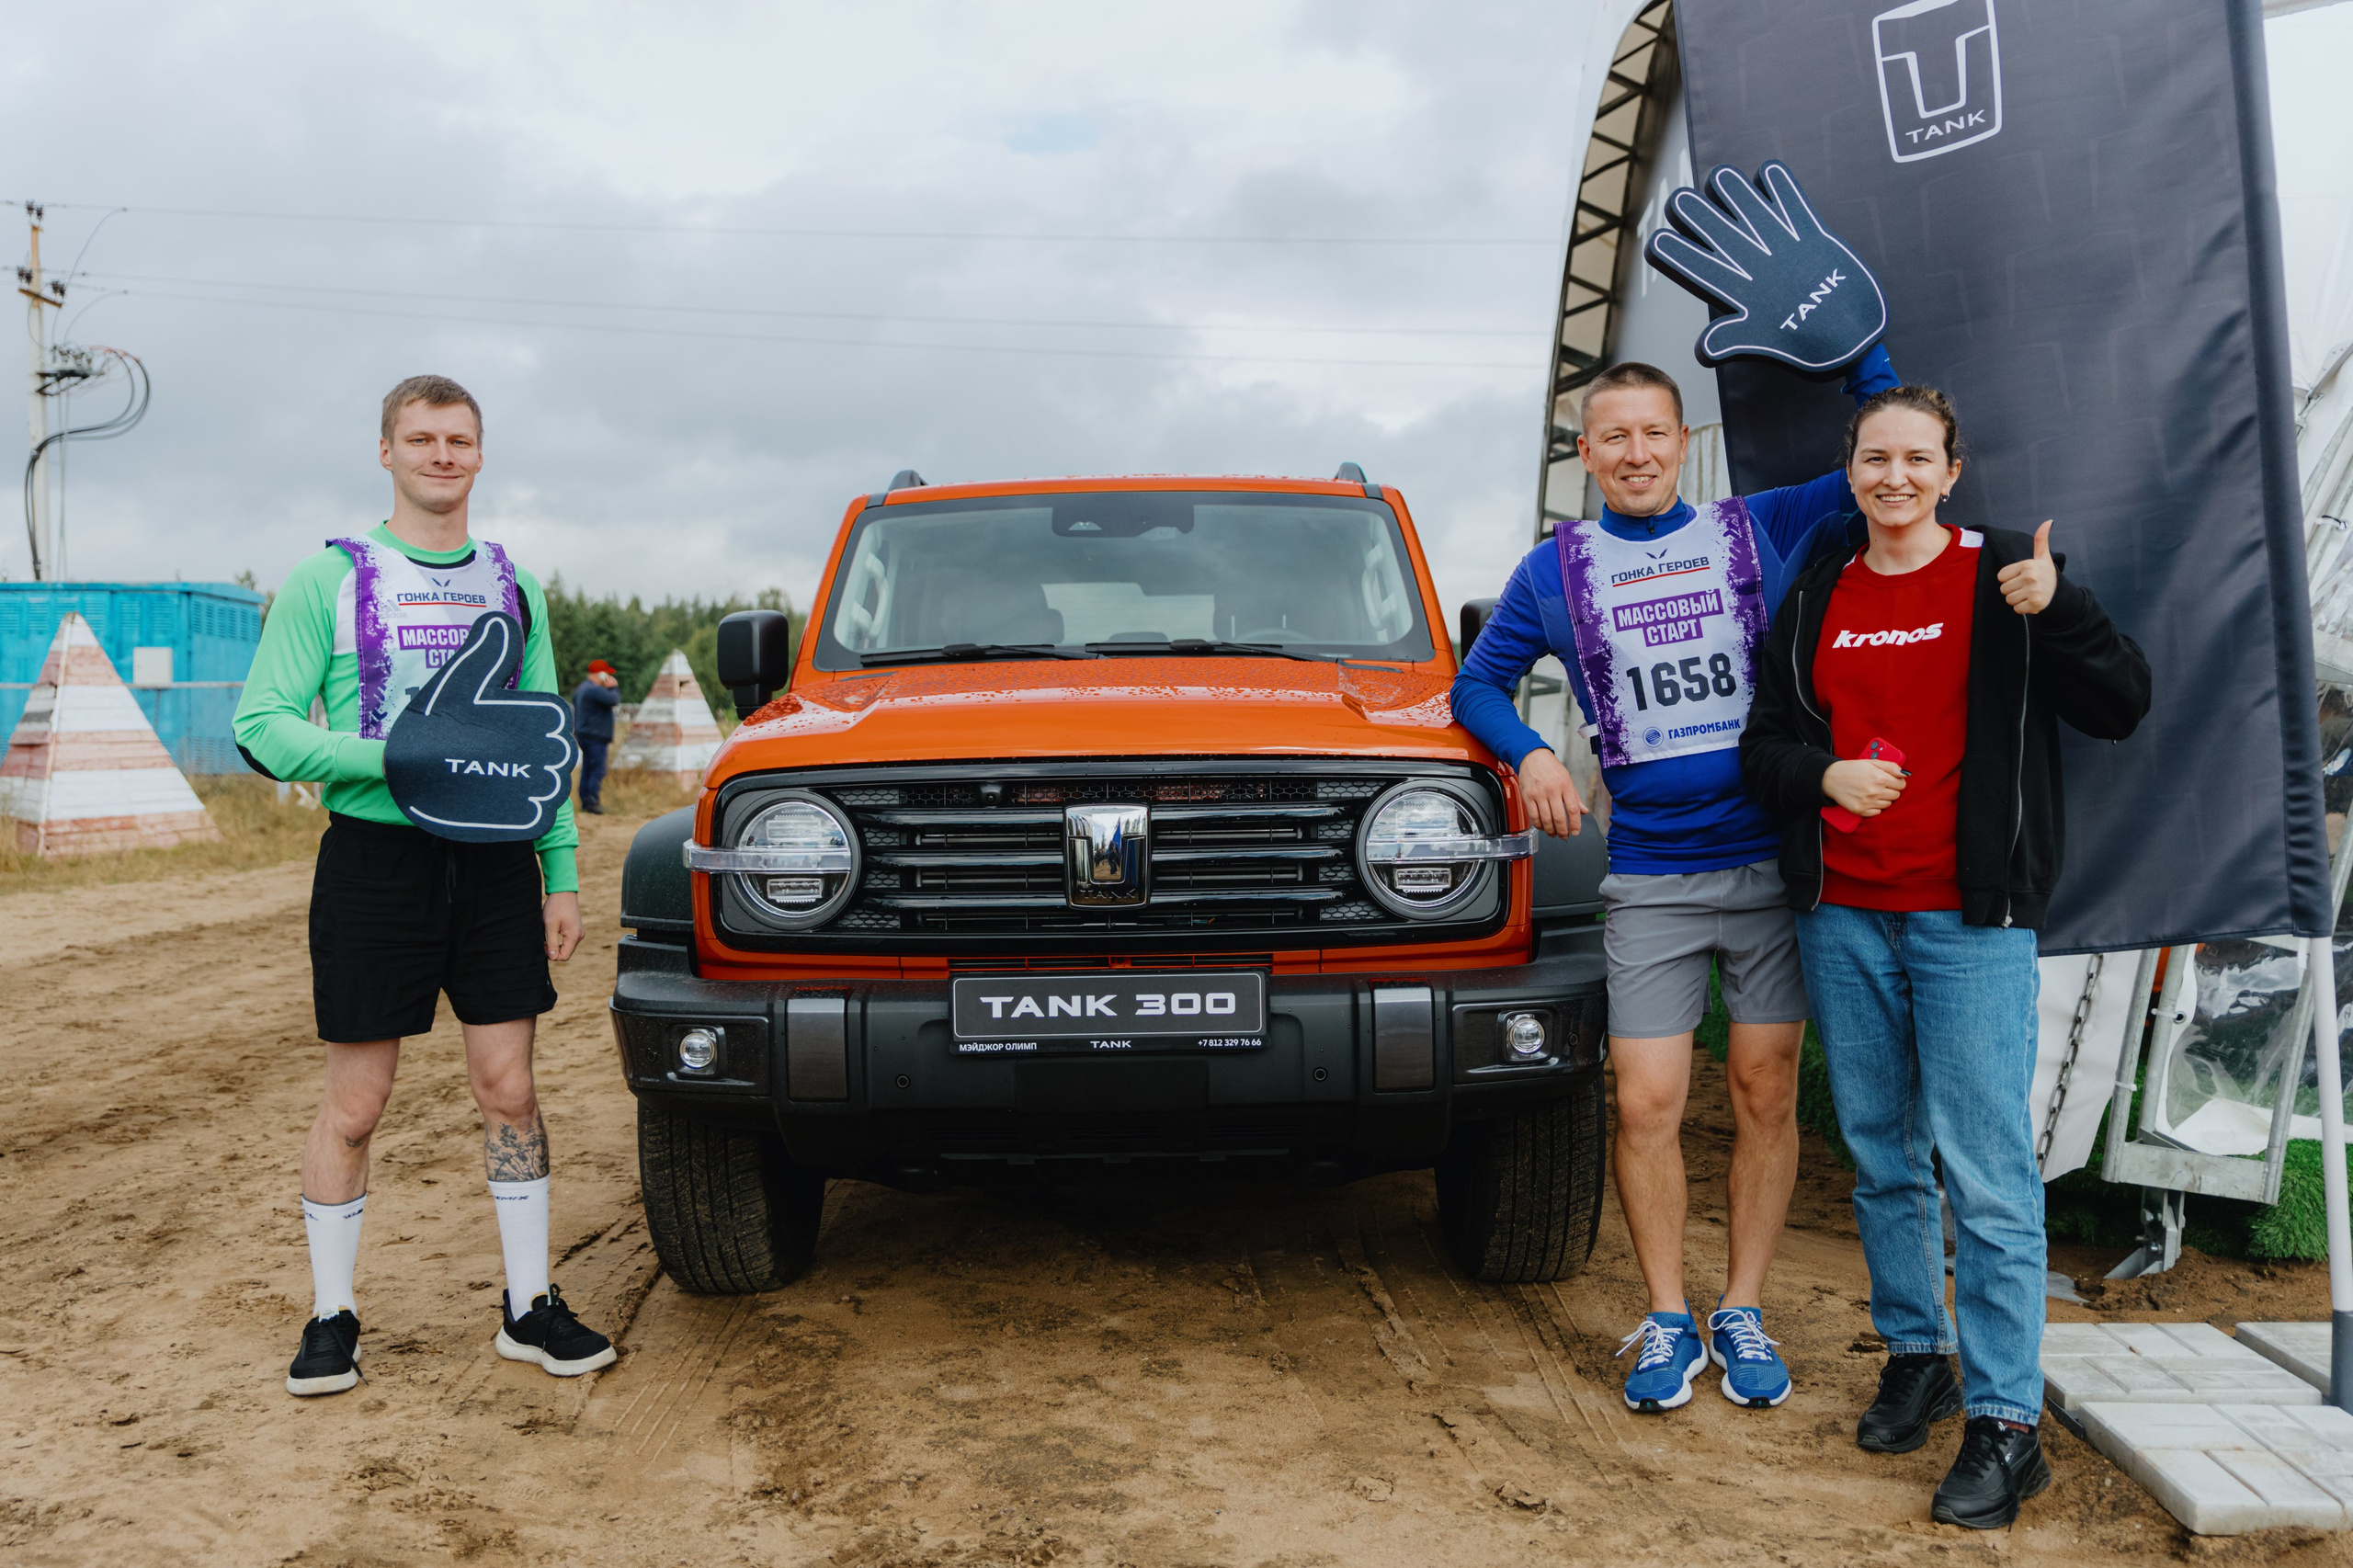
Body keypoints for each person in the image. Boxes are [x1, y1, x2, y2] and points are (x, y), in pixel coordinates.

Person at [1450, 346, 1898, 1415]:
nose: (1638, 452)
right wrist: (1532, 751)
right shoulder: (1551, 569)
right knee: (1645, 1100)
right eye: (1616, 436)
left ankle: (1741, 1306)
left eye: (1655, 431)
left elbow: (1884, 465)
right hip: (1650, 871)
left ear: (1682, 441)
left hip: (1768, 863)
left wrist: (1867, 357)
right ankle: (1664, 1316)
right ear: (1587, 452)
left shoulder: (1757, 525)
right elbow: (1475, 684)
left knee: (1762, 1091)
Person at [1740, 386, 2149, 1528]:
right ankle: (1917, 1353)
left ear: (1951, 470)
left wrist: (2060, 609)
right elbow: (1762, 745)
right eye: (1876, 458)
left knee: (1987, 1174)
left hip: (1970, 922)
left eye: (1918, 458)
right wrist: (1821, 774)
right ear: (1852, 469)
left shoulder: (2004, 574)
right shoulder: (1820, 588)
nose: (1895, 477)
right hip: (1842, 912)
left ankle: (2007, 1422)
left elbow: (2123, 702)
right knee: (1881, 1154)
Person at [233, 374, 618, 1399]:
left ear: (479, 454)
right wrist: (399, 758)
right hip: (374, 862)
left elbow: (539, 747)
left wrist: (561, 874)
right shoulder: (328, 577)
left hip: (495, 865)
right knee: (357, 1105)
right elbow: (262, 724)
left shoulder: (513, 584)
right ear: (386, 451)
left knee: (510, 1088)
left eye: (458, 440)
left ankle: (528, 1306)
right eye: (420, 439)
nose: (441, 455)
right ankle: (331, 1317)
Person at [574, 660, 621, 814]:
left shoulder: (581, 688)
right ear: (600, 674)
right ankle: (592, 802)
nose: (608, 677)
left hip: (584, 734)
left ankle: (586, 801)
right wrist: (613, 687)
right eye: (606, 674)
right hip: (595, 736)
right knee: (598, 770)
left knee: (587, 769)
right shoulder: (594, 689)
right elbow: (614, 699)